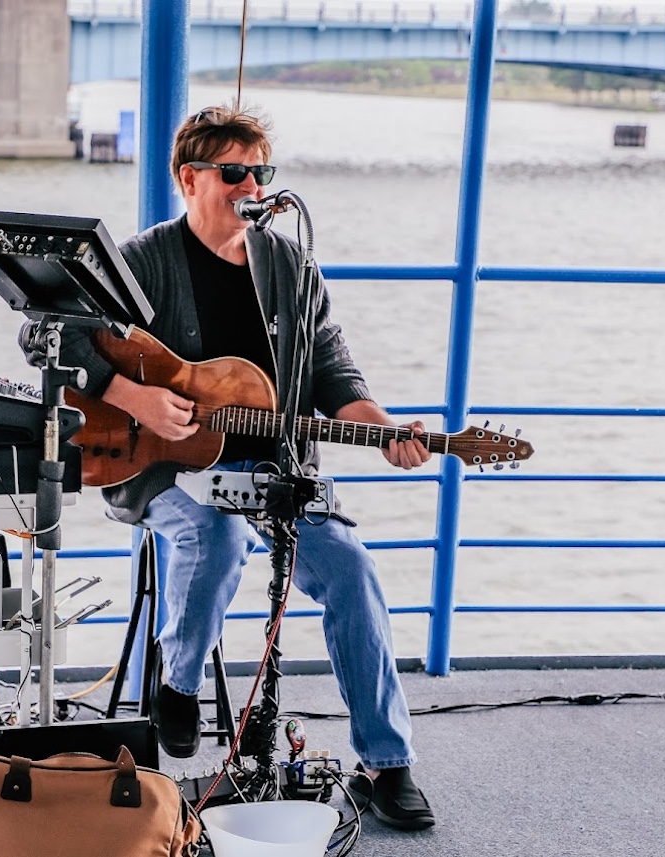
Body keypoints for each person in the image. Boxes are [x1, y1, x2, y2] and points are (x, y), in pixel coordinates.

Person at [55, 104, 436, 831]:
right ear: (187, 177)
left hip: (277, 470)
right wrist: (139, 396)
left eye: (260, 172)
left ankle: (388, 760)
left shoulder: (290, 265)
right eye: (233, 172)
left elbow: (335, 374)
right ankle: (179, 682)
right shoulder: (143, 260)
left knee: (352, 568)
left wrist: (386, 431)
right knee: (215, 537)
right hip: (163, 469)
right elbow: (49, 331)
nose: (250, 185)